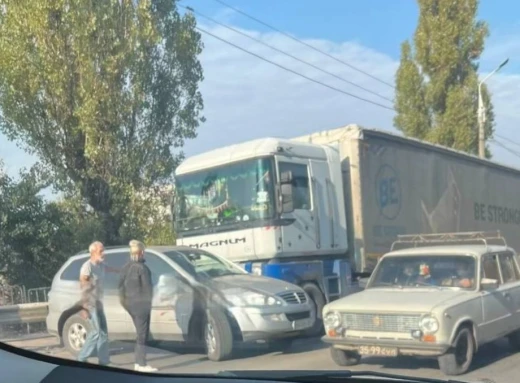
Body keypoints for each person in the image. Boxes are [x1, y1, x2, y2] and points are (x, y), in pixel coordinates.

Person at [77, 241, 119, 366]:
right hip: (90, 304)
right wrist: (83, 307)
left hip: (99, 302)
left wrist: (124, 269)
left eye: (103, 250)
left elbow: (110, 269)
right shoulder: (87, 267)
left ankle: (103, 361)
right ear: (93, 252)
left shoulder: (101, 265)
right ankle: (81, 358)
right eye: (101, 251)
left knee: (104, 333)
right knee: (95, 332)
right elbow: (83, 286)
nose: (103, 253)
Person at [118, 240, 158, 372]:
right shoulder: (142, 269)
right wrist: (148, 305)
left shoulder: (125, 267)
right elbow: (148, 290)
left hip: (131, 305)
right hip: (141, 306)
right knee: (142, 335)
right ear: (141, 252)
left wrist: (125, 304)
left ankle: (138, 363)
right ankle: (141, 364)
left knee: (139, 333)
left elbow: (119, 287)